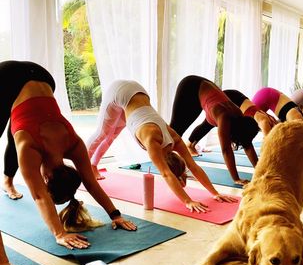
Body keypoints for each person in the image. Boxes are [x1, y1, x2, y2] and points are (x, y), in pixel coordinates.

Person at [0, 60, 137, 251]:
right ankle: (8, 181)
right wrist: (59, 233)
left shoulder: (73, 143)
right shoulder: (30, 147)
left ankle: (8, 181)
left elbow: (90, 182)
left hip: (43, 75)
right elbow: (40, 196)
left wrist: (116, 215)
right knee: (17, 132)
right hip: (4, 77)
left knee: (16, 129)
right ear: (47, 178)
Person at [87, 80, 237, 212]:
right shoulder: (153, 141)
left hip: (138, 93)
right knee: (102, 133)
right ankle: (85, 168)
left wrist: (215, 193)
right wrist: (187, 201)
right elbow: (166, 174)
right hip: (119, 92)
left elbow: (193, 166)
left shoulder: (175, 139)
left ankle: (93, 165)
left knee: (111, 135)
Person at [169, 76, 259, 186]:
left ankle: (175, 165)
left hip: (205, 89)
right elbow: (226, 150)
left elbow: (248, 144)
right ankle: (171, 171)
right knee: (173, 135)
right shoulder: (224, 117)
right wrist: (236, 178)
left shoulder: (239, 117)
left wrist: (260, 172)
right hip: (190, 87)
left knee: (177, 135)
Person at [183, 89, 277, 156]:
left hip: (237, 97)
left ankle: (190, 144)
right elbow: (266, 145)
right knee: (208, 123)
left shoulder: (272, 122)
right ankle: (189, 145)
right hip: (231, 97)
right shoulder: (265, 122)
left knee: (209, 124)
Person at [251, 86, 303, 156]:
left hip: (269, 94)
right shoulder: (298, 120)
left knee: (268, 129)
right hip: (266, 96)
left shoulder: (302, 119)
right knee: (253, 127)